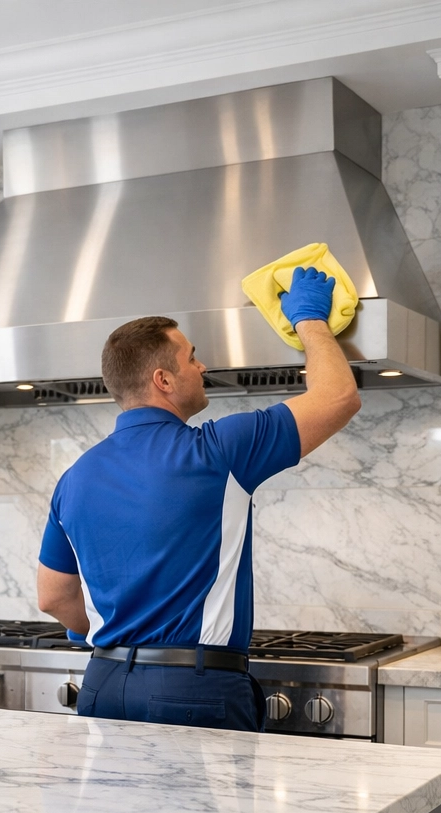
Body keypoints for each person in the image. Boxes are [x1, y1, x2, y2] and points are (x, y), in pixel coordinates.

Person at [36, 268, 360, 731]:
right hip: (193, 691)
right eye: (193, 358)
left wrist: (104, 631)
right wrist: (309, 318)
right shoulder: (219, 450)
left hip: (103, 685)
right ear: (164, 380)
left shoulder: (74, 477)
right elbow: (338, 396)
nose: (203, 367)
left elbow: (52, 597)